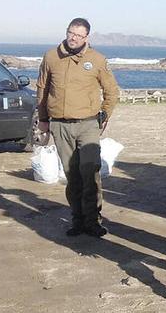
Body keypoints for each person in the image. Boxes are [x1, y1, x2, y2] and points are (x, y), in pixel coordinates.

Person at [36, 18, 119, 237]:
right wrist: (43, 119)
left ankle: (93, 220)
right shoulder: (51, 56)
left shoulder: (97, 59)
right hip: (60, 125)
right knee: (72, 175)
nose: (73, 38)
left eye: (79, 35)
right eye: (71, 33)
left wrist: (104, 115)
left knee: (90, 173)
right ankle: (77, 220)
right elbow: (42, 89)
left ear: (86, 37)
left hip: (88, 124)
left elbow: (112, 91)